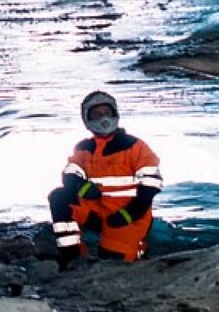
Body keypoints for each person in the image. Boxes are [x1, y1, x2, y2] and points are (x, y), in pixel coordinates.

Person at [47, 90, 163, 268]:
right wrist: (82, 187)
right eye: (96, 114)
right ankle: (71, 255)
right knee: (59, 197)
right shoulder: (83, 148)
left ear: (115, 114)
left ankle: (138, 249)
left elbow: (151, 185)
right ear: (86, 119)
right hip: (97, 210)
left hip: (127, 215)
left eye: (107, 112)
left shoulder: (135, 146)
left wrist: (129, 214)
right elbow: (70, 174)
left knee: (114, 264)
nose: (103, 118)